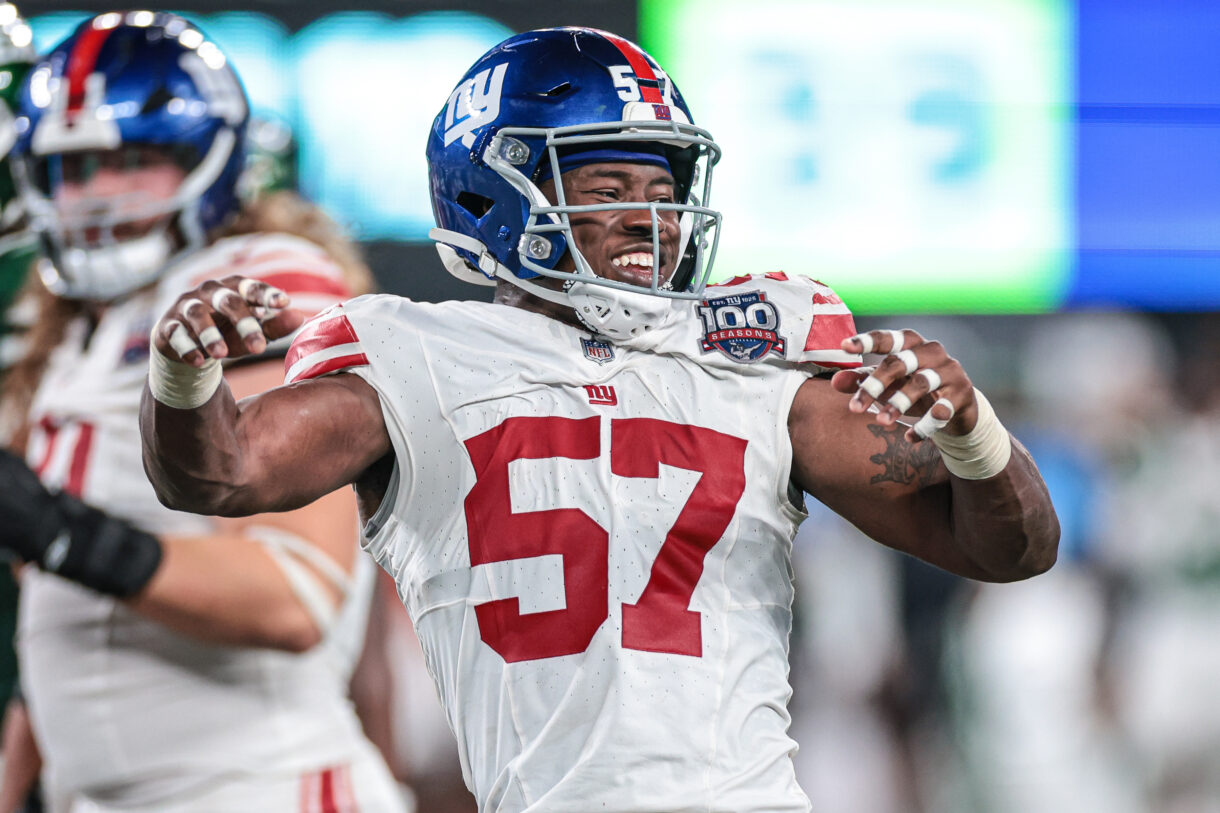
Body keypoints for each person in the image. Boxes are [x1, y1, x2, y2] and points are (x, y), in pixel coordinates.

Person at [136, 27, 1059, 812]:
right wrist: (184, 377)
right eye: (609, 190)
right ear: (489, 196)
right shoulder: (416, 357)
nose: (647, 223)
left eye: (662, 194)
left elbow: (1009, 549)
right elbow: (224, 472)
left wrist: (971, 431)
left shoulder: (751, 352)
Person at [0, 13, 406, 812]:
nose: (95, 195)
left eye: (135, 160)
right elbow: (62, 631)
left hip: (256, 786)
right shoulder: (75, 332)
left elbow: (295, 595)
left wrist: (59, 531)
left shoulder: (244, 281)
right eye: (72, 169)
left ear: (213, 162)